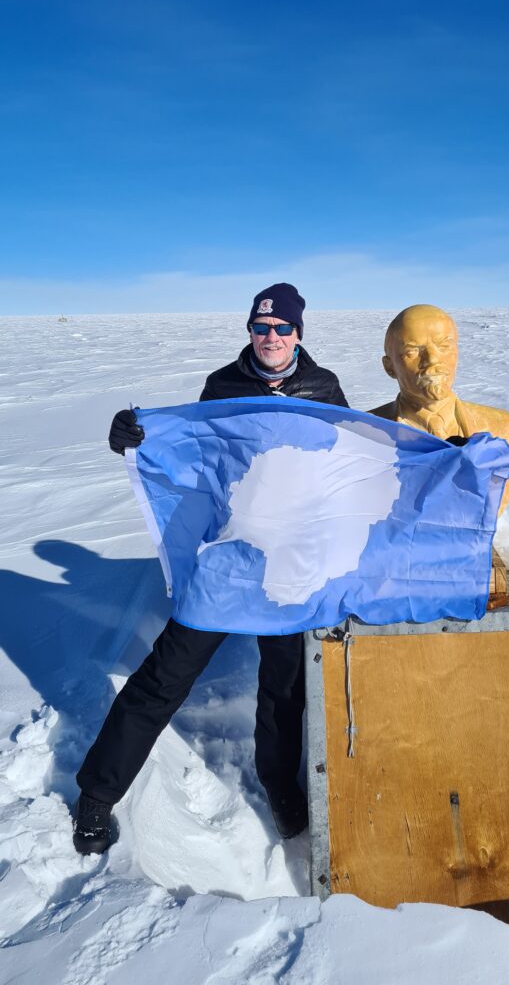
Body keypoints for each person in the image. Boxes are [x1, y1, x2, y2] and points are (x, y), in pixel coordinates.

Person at [73, 283, 348, 855]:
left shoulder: (324, 389)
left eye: (281, 329)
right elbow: (192, 453)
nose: (270, 338)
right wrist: (135, 436)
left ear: (299, 333)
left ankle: (278, 784)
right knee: (165, 675)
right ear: (249, 330)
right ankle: (97, 796)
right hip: (229, 556)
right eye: (260, 327)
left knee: (286, 684)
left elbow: (356, 460)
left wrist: (436, 454)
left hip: (289, 563)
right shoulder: (222, 386)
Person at [369, 304, 509, 507]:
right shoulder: (363, 433)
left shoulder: (508, 429)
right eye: (412, 351)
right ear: (389, 367)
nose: (432, 360)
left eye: (445, 346)